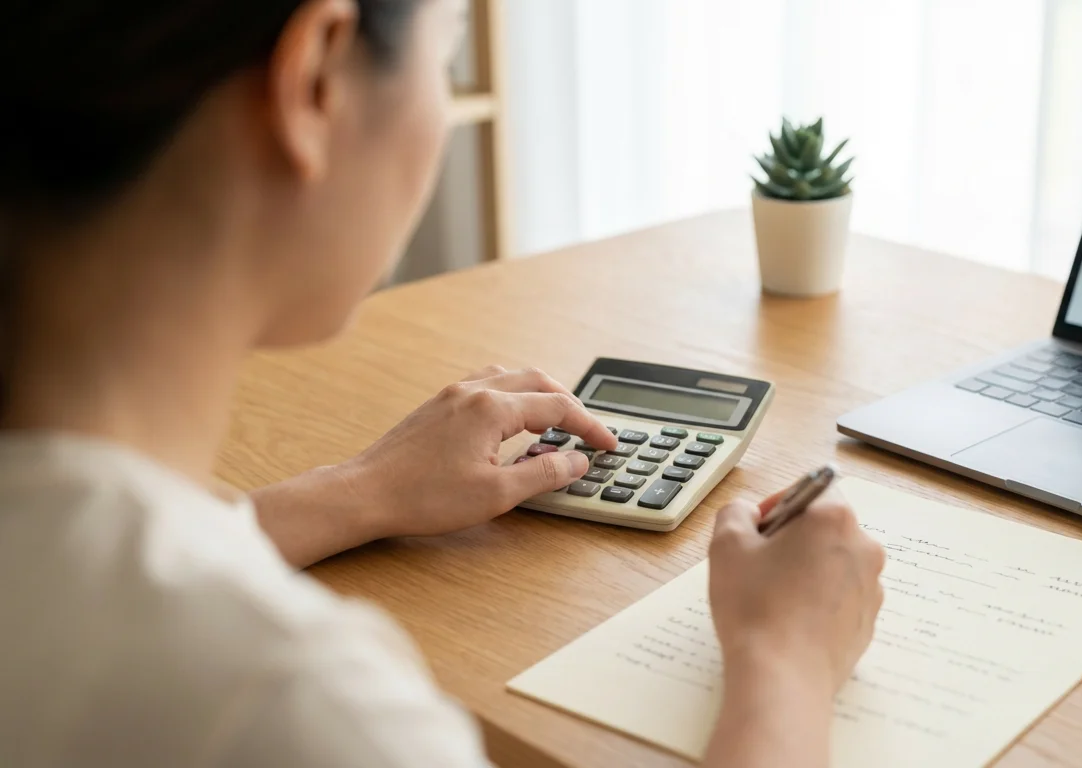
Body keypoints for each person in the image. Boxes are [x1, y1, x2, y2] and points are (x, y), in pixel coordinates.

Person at [0, 1, 886, 766]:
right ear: (315, 82)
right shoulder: (298, 705)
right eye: (446, 54)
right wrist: (784, 662)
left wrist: (357, 492)